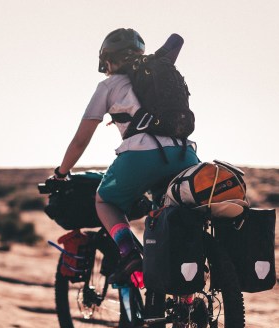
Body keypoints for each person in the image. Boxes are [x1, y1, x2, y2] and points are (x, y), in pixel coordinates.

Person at [52, 28, 200, 285]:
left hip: (141, 155)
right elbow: (178, 39)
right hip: (186, 154)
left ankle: (129, 253)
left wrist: (61, 173)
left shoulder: (108, 85)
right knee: (168, 222)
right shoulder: (156, 74)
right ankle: (185, 302)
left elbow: (80, 140)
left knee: (105, 201)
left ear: (107, 61)